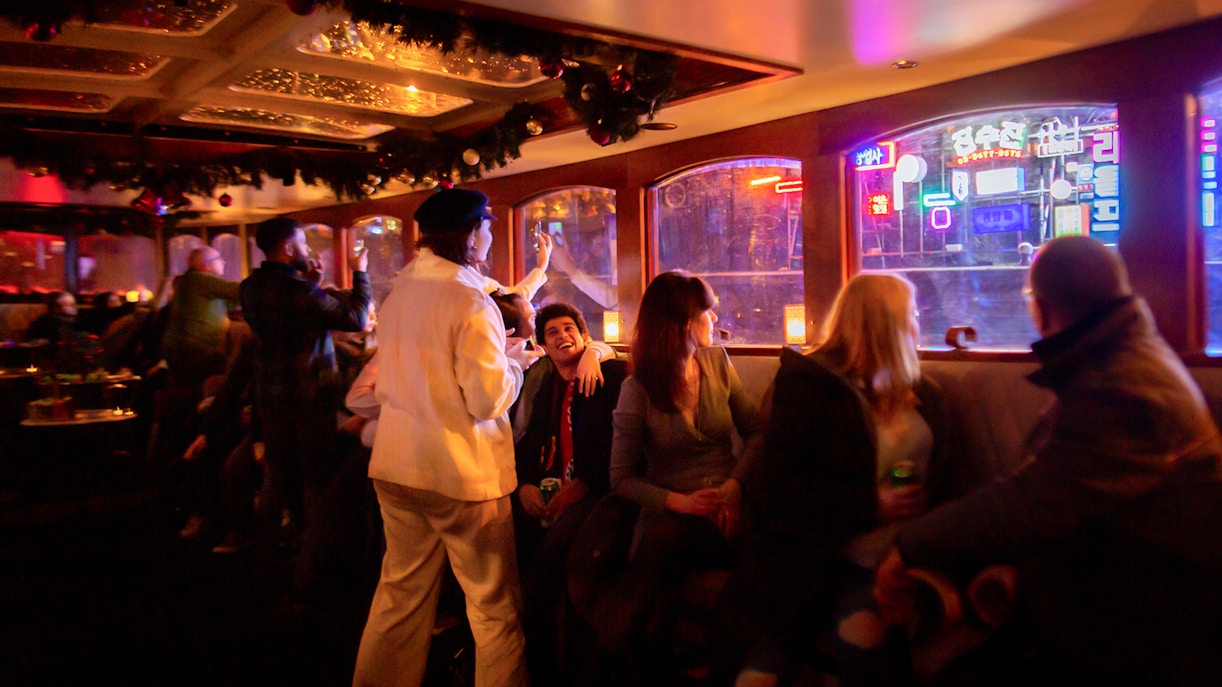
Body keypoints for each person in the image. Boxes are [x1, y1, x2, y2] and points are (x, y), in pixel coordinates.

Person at [875, 235, 1222, 687]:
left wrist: (910, 547)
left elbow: (1033, 501)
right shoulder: (1131, 360)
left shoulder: (1115, 388)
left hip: (1151, 623)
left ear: (1041, 307)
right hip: (1127, 591)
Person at [353, 189, 541, 687]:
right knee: (493, 607)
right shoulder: (469, 300)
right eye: (490, 226)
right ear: (472, 232)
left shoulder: (397, 298)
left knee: (399, 597)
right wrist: (515, 366)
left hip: (396, 467)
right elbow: (485, 401)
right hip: (462, 476)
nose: (493, 236)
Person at [731, 273, 955, 687]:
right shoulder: (811, 387)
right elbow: (779, 489)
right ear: (883, 323)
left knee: (864, 631)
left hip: (895, 555)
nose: (918, 323)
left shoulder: (927, 395)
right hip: (812, 550)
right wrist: (871, 504)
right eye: (912, 314)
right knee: (764, 667)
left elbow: (946, 486)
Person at [599, 270, 761, 681]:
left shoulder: (718, 362)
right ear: (682, 323)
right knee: (666, 538)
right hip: (674, 509)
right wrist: (681, 503)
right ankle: (643, 655)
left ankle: (625, 655)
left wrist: (734, 486)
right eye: (707, 312)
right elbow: (619, 478)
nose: (715, 320)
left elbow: (757, 430)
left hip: (727, 501)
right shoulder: (638, 389)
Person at [239, 217, 370, 605]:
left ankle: (263, 558)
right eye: (303, 245)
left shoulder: (251, 287)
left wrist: (313, 284)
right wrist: (360, 274)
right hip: (310, 398)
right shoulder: (297, 290)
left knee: (277, 476)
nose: (309, 252)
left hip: (271, 397)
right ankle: (310, 576)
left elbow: (290, 318)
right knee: (316, 481)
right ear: (289, 250)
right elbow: (356, 319)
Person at [511, 302, 627, 687]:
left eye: (569, 328)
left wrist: (580, 487)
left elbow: (619, 451)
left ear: (583, 334)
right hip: (553, 490)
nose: (563, 336)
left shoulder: (607, 373)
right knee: (512, 538)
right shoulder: (546, 385)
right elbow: (529, 445)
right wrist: (524, 485)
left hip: (600, 493)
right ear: (542, 345)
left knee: (549, 565)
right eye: (552, 332)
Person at [162, 246, 240, 386]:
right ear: (207, 266)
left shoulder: (190, 282)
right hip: (196, 351)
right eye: (218, 259)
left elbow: (230, 301)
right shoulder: (199, 279)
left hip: (181, 351)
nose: (223, 262)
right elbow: (239, 291)